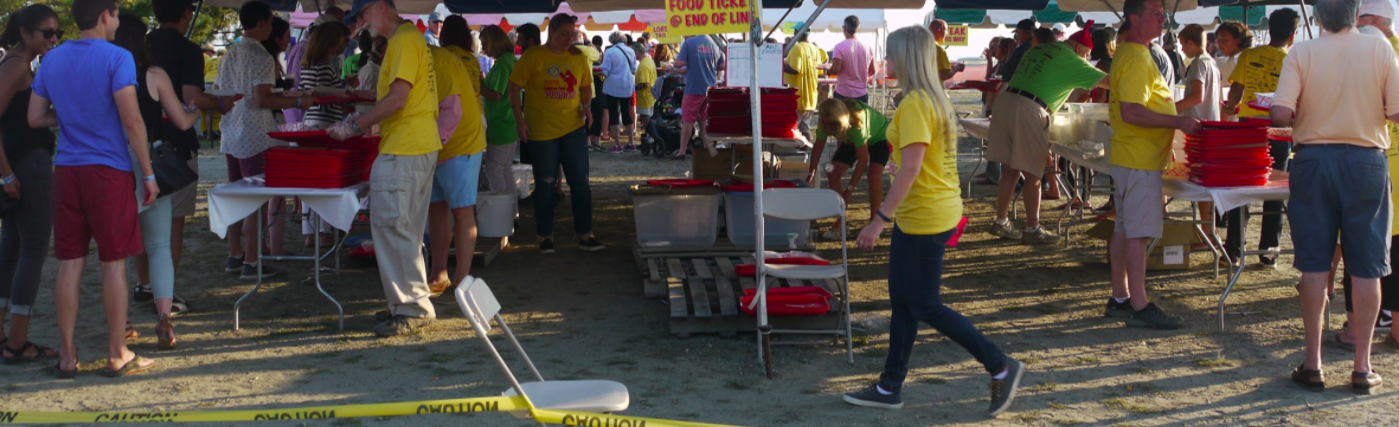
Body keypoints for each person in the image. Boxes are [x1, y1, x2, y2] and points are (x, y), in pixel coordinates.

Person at [842, 25, 1025, 416]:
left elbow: (910, 169)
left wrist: (877, 220)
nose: (885, 61)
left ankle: (1000, 365)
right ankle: (890, 386)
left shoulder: (916, 104)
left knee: (923, 305)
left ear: (907, 58)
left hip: (926, 215)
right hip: (922, 213)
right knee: (904, 303)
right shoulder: (927, 98)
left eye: (890, 55)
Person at [1271, 0, 1399, 394]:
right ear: (1355, 12)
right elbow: (1395, 112)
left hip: (1313, 159)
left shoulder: (1303, 51)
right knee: (1367, 266)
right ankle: (1362, 366)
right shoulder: (1380, 48)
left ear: (1321, 17)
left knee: (1314, 264)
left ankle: (1313, 362)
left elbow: (1279, 113)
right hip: (1366, 160)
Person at [28, 0, 161, 377]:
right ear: (107, 14)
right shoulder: (117, 57)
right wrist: (148, 173)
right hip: (108, 171)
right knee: (113, 263)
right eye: (117, 15)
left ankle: (67, 356)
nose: (117, 22)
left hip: (67, 171)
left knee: (68, 265)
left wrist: (71, 116)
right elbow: (132, 120)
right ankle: (118, 351)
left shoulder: (51, 59)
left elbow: (35, 117)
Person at [1105, 0, 1201, 329]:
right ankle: (1139, 303)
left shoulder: (1134, 53)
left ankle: (1120, 298)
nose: (1163, 19)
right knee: (1139, 232)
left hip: (1133, 155)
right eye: (1155, 13)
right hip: (1138, 157)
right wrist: (1176, 124)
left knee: (1124, 227)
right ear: (1135, 18)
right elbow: (1131, 111)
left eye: (1163, 14)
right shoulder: (1134, 55)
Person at [112, 12, 200, 350]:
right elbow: (181, 122)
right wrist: (192, 110)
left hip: (113, 164)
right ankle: (164, 316)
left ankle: (122, 322)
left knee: (115, 250)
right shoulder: (153, 74)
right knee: (160, 245)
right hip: (148, 161)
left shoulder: (104, 72)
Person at [145, 0, 234, 315]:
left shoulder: (140, 44)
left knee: (144, 217)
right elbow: (191, 97)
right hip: (175, 148)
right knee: (173, 222)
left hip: (137, 143)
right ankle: (165, 293)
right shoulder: (188, 50)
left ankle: (144, 284)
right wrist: (220, 104)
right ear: (186, 13)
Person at [218, 1, 312, 280]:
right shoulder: (260, 56)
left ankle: (235, 255)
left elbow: (221, 97)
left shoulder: (230, 53)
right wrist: (297, 98)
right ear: (261, 23)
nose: (273, 27)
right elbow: (262, 99)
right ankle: (251, 260)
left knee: (237, 196)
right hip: (254, 133)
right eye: (271, 21)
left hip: (231, 131)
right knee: (255, 200)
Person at [987, 25, 1106, 246]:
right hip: (1029, 108)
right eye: (1087, 54)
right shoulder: (1072, 59)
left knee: (1010, 170)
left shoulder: (1038, 50)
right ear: (1080, 49)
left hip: (1006, 102)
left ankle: (1001, 221)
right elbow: (1109, 82)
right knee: (1034, 172)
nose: (1087, 59)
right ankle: (1032, 228)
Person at [1330, 0, 1399, 355]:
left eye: (1359, 17)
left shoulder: (1362, 51)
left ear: (1370, 19)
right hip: (1380, 168)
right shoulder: (1389, 51)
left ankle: (1356, 330)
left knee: (1360, 254)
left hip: (1368, 165)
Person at [507, 14, 605, 255]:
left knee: (580, 183)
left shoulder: (578, 57)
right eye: (564, 34)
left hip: (572, 128)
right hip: (541, 132)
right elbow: (514, 87)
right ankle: (545, 235)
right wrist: (519, 120)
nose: (569, 39)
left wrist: (586, 108)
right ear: (551, 32)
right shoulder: (533, 56)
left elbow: (584, 85)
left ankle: (584, 233)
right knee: (546, 184)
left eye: (572, 34)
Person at [0, 4, 59, 364]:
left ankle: (9, 338)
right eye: (47, 33)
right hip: (25, 166)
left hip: (20, 165)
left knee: (12, 250)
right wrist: (6, 173)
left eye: (58, 33)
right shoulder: (19, 64)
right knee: (33, 250)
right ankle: (17, 342)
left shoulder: (21, 63)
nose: (53, 39)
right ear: (25, 33)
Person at [1223, 8, 1299, 267]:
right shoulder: (1294, 59)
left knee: (1242, 185)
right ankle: (1269, 249)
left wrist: (1229, 109)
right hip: (1281, 131)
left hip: (1248, 129)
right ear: (1293, 35)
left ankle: (1233, 248)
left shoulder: (1249, 55)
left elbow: (1235, 92)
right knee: (1275, 188)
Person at [426, 44, 485, 298]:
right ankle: (439, 272)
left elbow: (452, 112)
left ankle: (463, 277)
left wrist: (426, 146)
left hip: (460, 144)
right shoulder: (410, 57)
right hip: (432, 147)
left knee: (462, 211)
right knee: (435, 208)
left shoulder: (441, 61)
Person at [810, 97, 890, 239]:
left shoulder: (857, 122)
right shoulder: (825, 121)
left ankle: (875, 223)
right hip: (851, 137)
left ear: (840, 120)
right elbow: (818, 146)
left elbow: (863, 160)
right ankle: (841, 223)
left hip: (879, 137)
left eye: (832, 125)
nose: (828, 128)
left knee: (874, 175)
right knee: (833, 172)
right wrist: (812, 171)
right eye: (825, 123)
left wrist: (849, 190)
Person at [1174, 23, 1222, 239]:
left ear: (1190, 43)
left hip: (1200, 128)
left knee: (1202, 182)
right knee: (1206, 182)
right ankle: (1207, 230)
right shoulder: (1212, 62)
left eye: (1183, 45)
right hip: (1211, 127)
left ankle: (1206, 232)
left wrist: (1171, 108)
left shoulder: (1198, 64)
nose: (1182, 49)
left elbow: (1197, 97)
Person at [480, 25, 519, 195]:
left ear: (494, 43)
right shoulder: (508, 60)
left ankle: (502, 213)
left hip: (502, 123)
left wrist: (475, 87)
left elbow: (496, 94)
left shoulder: (504, 62)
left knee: (494, 169)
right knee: (504, 169)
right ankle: (511, 213)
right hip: (508, 122)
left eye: (484, 44)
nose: (482, 48)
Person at [673, 34, 723, 158]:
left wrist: (675, 64)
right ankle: (707, 148)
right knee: (704, 121)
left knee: (688, 120)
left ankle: (682, 151)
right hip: (710, 88)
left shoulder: (689, 43)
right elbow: (722, 66)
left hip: (693, 89)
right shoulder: (716, 43)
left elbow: (679, 63)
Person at [296, 21, 350, 129]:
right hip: (325, 121)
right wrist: (348, 91)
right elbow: (324, 97)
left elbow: (301, 91)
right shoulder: (324, 67)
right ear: (328, 44)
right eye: (337, 44)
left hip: (310, 118)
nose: (339, 47)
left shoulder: (307, 67)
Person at [600, 31, 637, 154]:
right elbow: (633, 69)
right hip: (627, 85)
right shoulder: (631, 51)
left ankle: (617, 144)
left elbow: (605, 71)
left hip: (612, 86)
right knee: (627, 113)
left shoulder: (609, 52)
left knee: (614, 114)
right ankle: (631, 142)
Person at [784, 32, 820, 142]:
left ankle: (794, 153)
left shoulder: (797, 48)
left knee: (791, 129)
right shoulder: (815, 49)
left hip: (797, 97)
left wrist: (779, 64)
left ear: (796, 33)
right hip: (811, 97)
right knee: (805, 129)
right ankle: (805, 154)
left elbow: (795, 69)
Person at [831, 15, 875, 103]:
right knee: (860, 117)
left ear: (844, 28)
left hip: (843, 93)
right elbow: (872, 71)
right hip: (861, 93)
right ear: (858, 29)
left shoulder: (839, 47)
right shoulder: (868, 47)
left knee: (842, 117)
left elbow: (835, 69)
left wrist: (828, 71)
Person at [1213, 22, 1251, 120]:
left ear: (1238, 40)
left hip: (1232, 120)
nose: (1220, 44)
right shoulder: (1246, 57)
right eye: (1219, 40)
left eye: (1225, 40)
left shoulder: (1233, 61)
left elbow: (1228, 96)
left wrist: (1222, 126)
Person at [633, 42, 657, 145]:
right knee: (648, 119)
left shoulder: (643, 65)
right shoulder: (649, 60)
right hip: (650, 95)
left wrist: (632, 88)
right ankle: (650, 138)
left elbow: (645, 83)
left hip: (645, 96)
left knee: (646, 120)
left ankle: (649, 139)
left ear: (637, 53)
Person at [261, 17, 291, 84]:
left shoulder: (270, 59)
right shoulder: (267, 61)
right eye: (288, 36)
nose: (289, 40)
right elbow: (265, 93)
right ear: (277, 39)